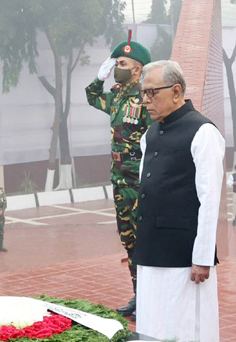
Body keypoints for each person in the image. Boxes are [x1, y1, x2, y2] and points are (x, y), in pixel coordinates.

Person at [132, 60, 225, 342]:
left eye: (152, 93)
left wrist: (202, 256)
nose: (146, 101)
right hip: (151, 248)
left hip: (184, 255)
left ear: (176, 91)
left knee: (183, 330)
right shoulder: (150, 133)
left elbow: (210, 199)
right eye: (143, 93)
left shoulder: (202, 132)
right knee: (151, 323)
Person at [85, 30, 154, 321]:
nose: (117, 68)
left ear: (138, 69)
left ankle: (152, 297)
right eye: (116, 64)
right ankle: (140, 295)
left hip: (139, 178)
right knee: (129, 239)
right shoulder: (115, 97)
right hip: (119, 178)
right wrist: (99, 79)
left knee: (145, 238)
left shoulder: (146, 98)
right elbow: (91, 97)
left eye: (123, 64)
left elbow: (158, 135)